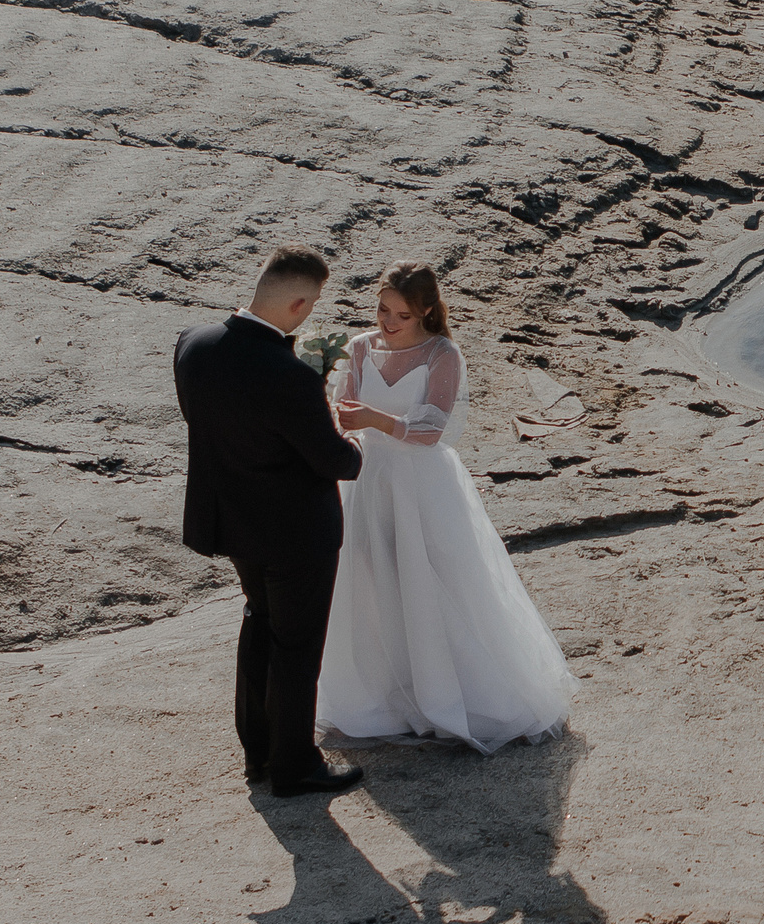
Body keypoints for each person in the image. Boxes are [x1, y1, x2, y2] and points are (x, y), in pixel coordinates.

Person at [317, 262, 575, 751]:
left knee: (433, 578)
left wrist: (373, 417)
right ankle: (387, 693)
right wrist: (340, 412)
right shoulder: (358, 347)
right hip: (366, 478)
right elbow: (344, 413)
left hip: (421, 482)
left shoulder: (442, 353)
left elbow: (432, 430)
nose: (388, 322)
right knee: (370, 581)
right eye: (383, 309)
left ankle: (449, 690)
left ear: (427, 312)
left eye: (401, 315)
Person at [173, 244, 366, 798]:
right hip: (296, 533)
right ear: (301, 302)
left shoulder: (194, 345)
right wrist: (349, 436)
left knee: (258, 623)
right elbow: (336, 462)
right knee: (296, 644)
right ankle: (295, 766)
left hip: (233, 524)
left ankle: (258, 754)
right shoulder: (289, 376)